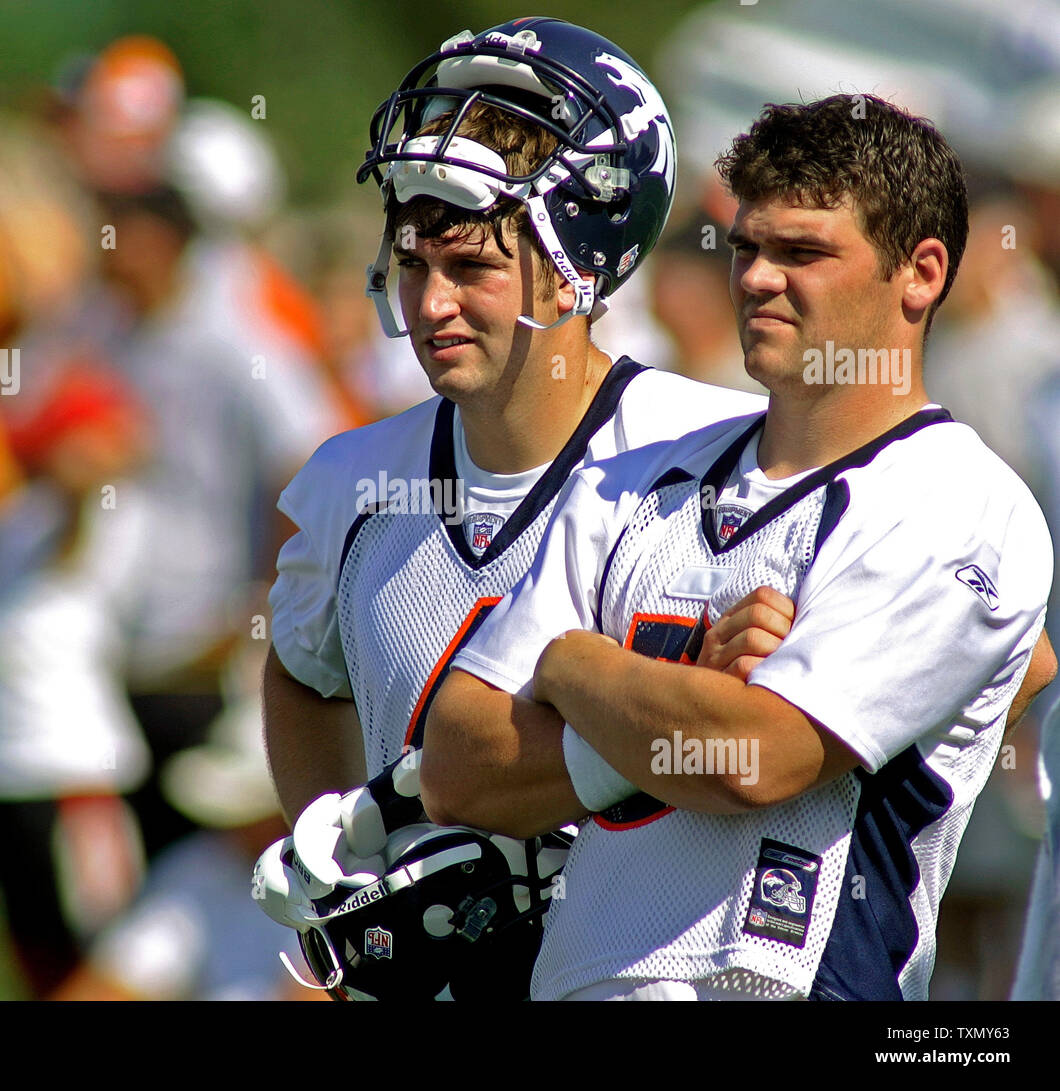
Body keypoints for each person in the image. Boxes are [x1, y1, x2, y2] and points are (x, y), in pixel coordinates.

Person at [426, 94, 1055, 1001]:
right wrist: (676, 684)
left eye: (802, 252)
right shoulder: (634, 475)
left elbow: (753, 759)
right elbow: (457, 764)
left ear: (920, 273)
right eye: (749, 247)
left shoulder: (960, 501)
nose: (757, 278)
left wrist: (572, 665)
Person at [259, 18, 769, 999]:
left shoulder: (732, 456)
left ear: (582, 259)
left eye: (471, 266)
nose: (431, 305)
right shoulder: (351, 484)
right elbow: (298, 670)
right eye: (413, 265)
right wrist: (341, 846)